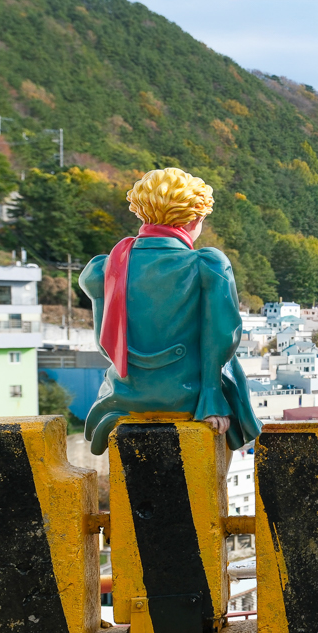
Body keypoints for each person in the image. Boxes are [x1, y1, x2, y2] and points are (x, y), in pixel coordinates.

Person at [80, 168, 262, 454]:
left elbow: (107, 347)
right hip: (191, 399)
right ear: (194, 219)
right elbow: (223, 338)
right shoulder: (207, 264)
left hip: (124, 398)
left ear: (142, 214)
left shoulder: (105, 268)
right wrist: (211, 397)